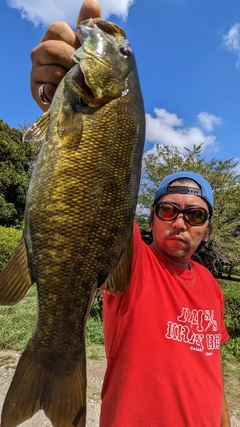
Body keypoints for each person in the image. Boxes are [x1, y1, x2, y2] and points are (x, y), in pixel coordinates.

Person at [30, 1, 231, 425]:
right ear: (151, 217)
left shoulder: (213, 288)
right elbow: (86, 203)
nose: (180, 221)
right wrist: (56, 94)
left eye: (195, 216)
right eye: (168, 209)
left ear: (208, 230)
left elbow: (208, 370)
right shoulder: (135, 264)